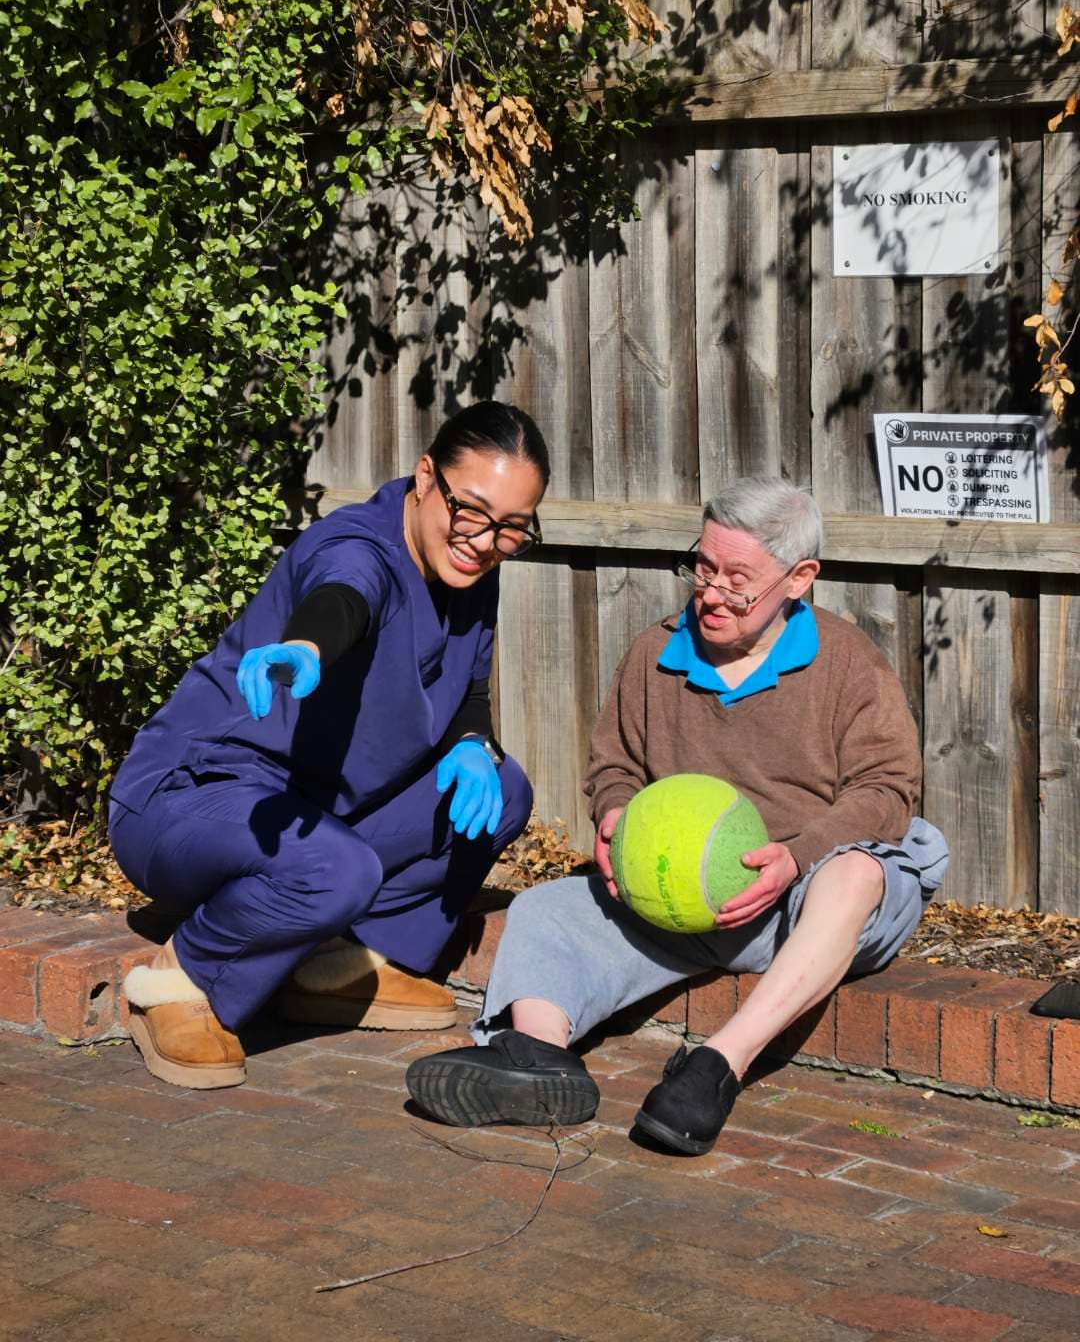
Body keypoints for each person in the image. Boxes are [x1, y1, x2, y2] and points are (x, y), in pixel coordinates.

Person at [406, 476, 949, 1153]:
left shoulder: (849, 665)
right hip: (682, 901)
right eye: (704, 567)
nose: (712, 593)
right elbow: (615, 767)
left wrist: (797, 856)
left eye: (738, 580)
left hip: (805, 900)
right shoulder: (654, 652)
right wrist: (612, 816)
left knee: (857, 876)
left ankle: (717, 1066)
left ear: (800, 577)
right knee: (544, 911)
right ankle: (535, 1062)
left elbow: (887, 790)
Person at [110, 401, 549, 1090]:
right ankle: (181, 982)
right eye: (470, 510)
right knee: (334, 870)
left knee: (504, 791)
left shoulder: (472, 567)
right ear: (425, 475)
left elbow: (469, 691)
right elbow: (347, 593)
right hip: (188, 799)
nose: (484, 540)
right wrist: (308, 644)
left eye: (511, 528)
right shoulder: (360, 545)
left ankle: (335, 965)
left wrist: (470, 741)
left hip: (315, 810)